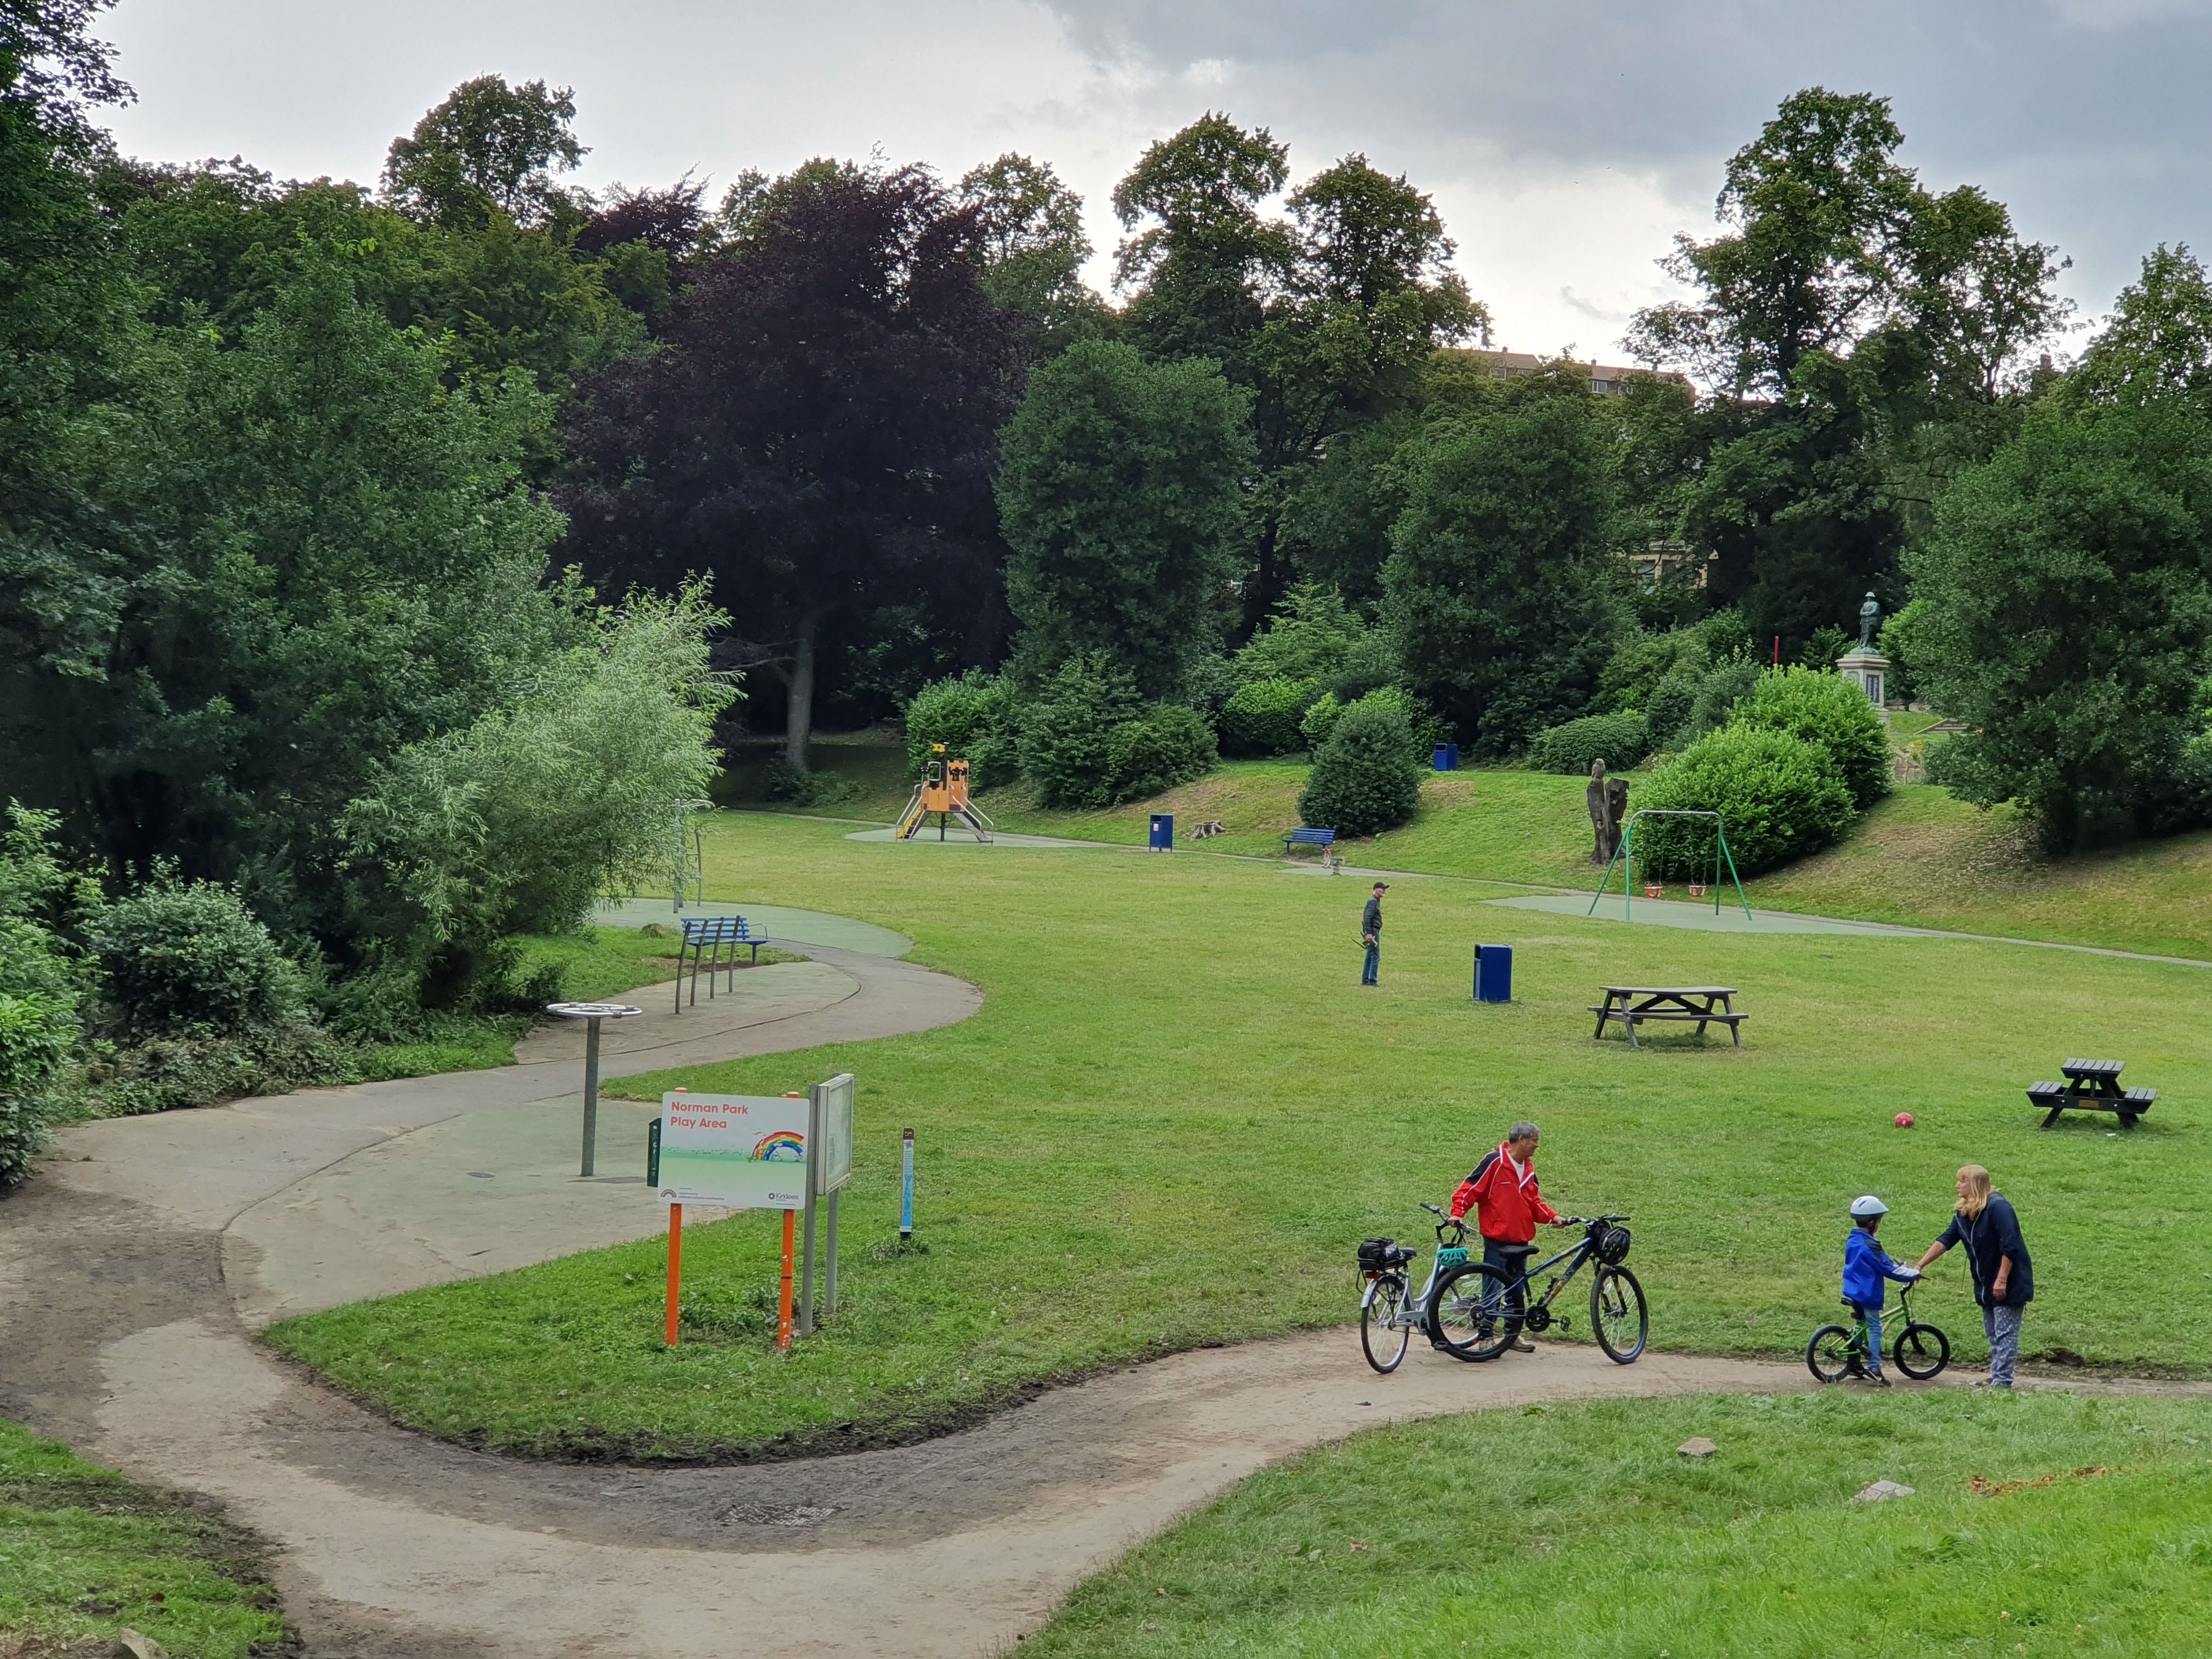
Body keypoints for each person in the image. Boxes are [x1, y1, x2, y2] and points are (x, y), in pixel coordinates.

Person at [1448, 1121, 1570, 1352]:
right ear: (1521, 1140)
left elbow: (1533, 1202)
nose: (1537, 1145)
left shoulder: (1529, 1168)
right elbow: (1470, 1188)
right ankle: (1486, 1337)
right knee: (1492, 1289)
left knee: (1516, 1290)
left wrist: (1553, 1217)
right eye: (1534, 1140)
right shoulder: (1494, 1162)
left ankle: (1511, 1335)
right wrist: (1458, 1213)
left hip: (1521, 1240)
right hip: (1497, 1241)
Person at [1915, 1165, 2033, 1389]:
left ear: (1975, 1185)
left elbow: (2010, 1247)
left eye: (1962, 1181)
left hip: (2008, 1282)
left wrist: (2002, 1279)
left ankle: (2002, 1382)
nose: (1957, 1185)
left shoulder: (1999, 1208)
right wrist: (1920, 1265)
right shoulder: (1964, 1211)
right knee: (1993, 1332)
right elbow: (1946, 1240)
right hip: (1985, 1281)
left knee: (2005, 1333)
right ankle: (1997, 1375)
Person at [1842, 1195, 1920, 1387]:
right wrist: (1912, 1274)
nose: (1879, 1224)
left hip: (1853, 1290)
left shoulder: (1855, 1239)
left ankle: (1854, 1364)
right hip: (1867, 1294)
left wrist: (1898, 1264)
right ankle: (1874, 1368)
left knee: (1861, 1325)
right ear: (1872, 1223)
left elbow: (1883, 1258)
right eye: (1879, 1221)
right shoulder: (1870, 1245)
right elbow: (1887, 1269)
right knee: (1875, 1327)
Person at [1360, 882, 1387, 985]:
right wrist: (1369, 934)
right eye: (1382, 889)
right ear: (1376, 890)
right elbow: (1367, 918)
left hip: (1372, 931)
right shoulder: (1373, 902)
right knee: (1375, 957)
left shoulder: (1375, 901)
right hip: (1373, 931)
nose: (1384, 891)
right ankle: (1372, 981)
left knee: (1370, 956)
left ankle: (1365, 979)